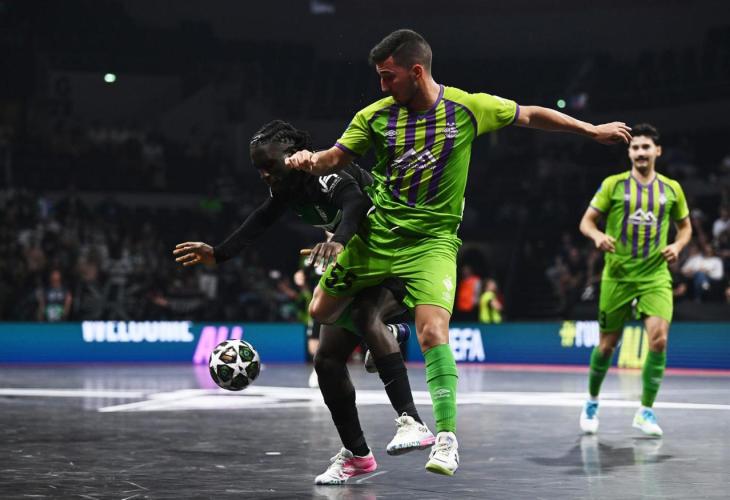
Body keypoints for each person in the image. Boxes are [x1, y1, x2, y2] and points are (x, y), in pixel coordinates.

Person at [285, 28, 632, 475]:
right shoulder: (373, 116)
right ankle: (390, 330)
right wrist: (308, 160)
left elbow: (530, 115)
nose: (382, 86)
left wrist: (590, 129)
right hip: (378, 236)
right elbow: (334, 158)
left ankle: (446, 438)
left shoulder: (468, 107)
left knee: (434, 332)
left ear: (416, 71)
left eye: (389, 76)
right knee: (321, 309)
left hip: (432, 244)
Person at [172, 120, 433, 484]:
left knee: (364, 314)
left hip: (399, 251)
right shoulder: (286, 188)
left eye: (269, 165)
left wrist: (338, 240)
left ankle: (412, 421)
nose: (264, 174)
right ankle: (357, 455)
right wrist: (218, 253)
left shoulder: (323, 169)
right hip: (360, 260)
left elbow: (355, 201)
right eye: (258, 169)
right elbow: (261, 219)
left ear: (293, 155)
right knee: (326, 360)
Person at [578, 123, 692, 437]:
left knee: (659, 340)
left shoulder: (672, 189)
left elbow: (685, 228)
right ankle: (591, 401)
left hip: (655, 275)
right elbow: (586, 223)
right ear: (629, 153)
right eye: (635, 147)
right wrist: (598, 236)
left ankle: (645, 411)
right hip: (617, 276)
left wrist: (677, 246)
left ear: (658, 151)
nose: (641, 152)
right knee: (606, 346)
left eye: (646, 147)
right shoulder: (613, 185)